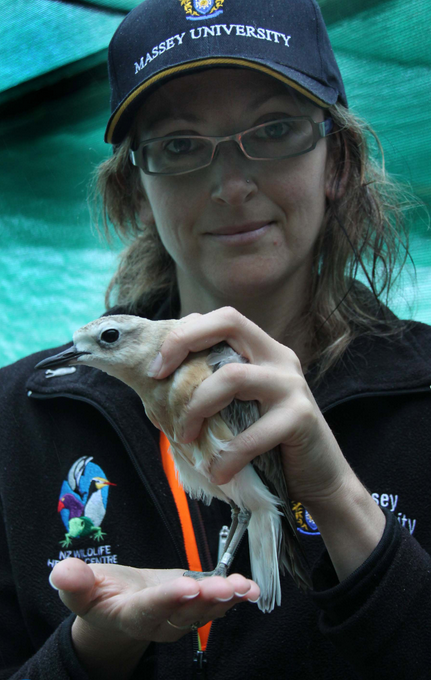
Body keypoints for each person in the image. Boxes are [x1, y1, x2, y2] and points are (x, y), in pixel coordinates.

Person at [1, 0, 431, 678]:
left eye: (276, 128)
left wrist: (339, 501)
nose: (231, 185)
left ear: (337, 162)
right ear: (136, 192)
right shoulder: (20, 414)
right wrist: (93, 651)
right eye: (178, 145)